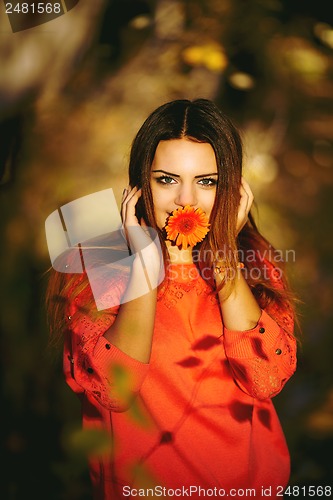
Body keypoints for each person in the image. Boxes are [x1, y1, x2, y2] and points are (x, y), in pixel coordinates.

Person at [46, 99, 298, 499]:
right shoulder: (99, 262)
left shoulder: (251, 260)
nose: (186, 200)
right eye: (166, 179)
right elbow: (114, 389)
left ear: (233, 187)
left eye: (207, 181)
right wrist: (144, 267)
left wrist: (225, 257)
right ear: (139, 183)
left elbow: (264, 378)